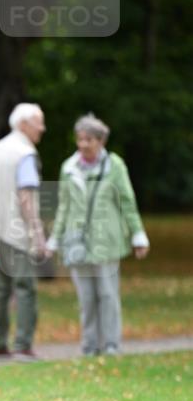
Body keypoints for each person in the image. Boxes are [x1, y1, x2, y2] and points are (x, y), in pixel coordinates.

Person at [47, 112, 149, 356]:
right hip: (77, 241)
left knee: (107, 293)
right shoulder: (69, 168)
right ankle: (90, 345)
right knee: (86, 298)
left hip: (107, 241)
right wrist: (55, 238)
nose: (83, 145)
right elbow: (63, 206)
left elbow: (127, 201)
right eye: (80, 139)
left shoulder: (115, 166)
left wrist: (138, 234)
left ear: (101, 141)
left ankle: (112, 345)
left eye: (89, 140)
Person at [0, 103, 47, 360]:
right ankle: (23, 344)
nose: (43, 128)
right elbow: (26, 196)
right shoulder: (25, 153)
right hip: (14, 229)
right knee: (25, 286)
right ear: (24, 124)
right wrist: (37, 234)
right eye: (39, 122)